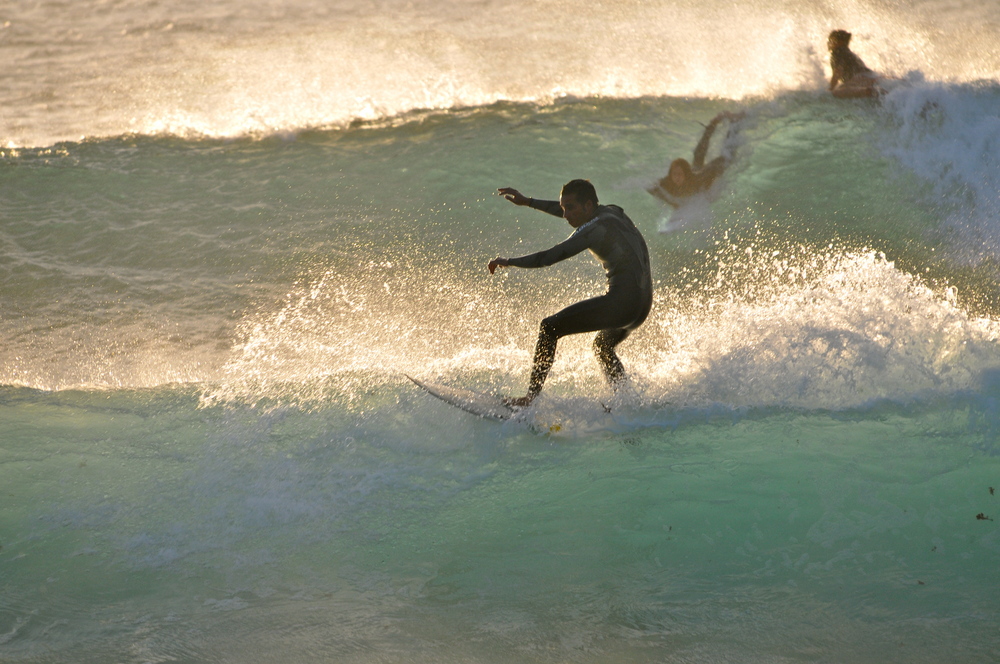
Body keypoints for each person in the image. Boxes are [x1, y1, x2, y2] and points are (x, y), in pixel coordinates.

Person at [489, 179, 653, 407]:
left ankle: (530, 399)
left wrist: (509, 261)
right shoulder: (612, 212)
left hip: (623, 304)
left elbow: (550, 257)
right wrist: (528, 202)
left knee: (550, 327)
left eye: (571, 208)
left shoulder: (595, 230)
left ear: (587, 206)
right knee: (603, 347)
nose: (565, 215)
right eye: (563, 208)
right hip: (642, 305)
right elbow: (571, 213)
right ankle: (627, 401)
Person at [647, 111, 743, 207]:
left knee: (728, 156)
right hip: (696, 169)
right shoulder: (667, 182)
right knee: (698, 153)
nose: (677, 177)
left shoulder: (697, 181)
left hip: (709, 172)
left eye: (680, 174)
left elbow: (710, 178)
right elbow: (651, 189)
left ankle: (735, 123)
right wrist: (672, 204)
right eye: (674, 174)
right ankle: (713, 123)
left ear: (685, 174)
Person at [828, 29, 882, 99]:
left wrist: (831, 88)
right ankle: (874, 91)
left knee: (837, 91)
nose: (829, 43)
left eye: (831, 40)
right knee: (843, 87)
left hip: (860, 78)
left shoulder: (838, 52)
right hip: (869, 76)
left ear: (840, 42)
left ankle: (869, 91)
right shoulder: (846, 52)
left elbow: (838, 71)